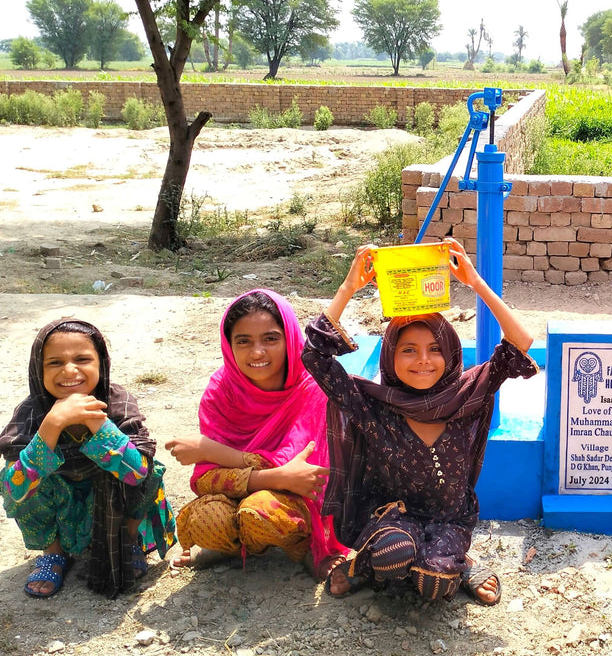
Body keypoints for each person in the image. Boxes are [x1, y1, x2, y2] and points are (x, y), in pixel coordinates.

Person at [302, 238, 537, 605]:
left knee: (434, 582)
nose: (423, 361)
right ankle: (365, 564)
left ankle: (459, 563)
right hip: (393, 517)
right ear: (390, 356)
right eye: (408, 350)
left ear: (451, 353)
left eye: (434, 349)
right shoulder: (371, 405)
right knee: (393, 552)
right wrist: (349, 287)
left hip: (450, 519)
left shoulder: (469, 393)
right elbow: (315, 356)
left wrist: (475, 283)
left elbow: (520, 342)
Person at [165, 290, 344, 577]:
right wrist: (268, 476)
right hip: (253, 487)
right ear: (229, 345)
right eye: (243, 341)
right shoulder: (221, 391)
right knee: (206, 519)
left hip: (297, 495)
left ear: (290, 340)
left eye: (270, 339)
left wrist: (208, 449)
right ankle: (230, 547)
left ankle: (303, 545)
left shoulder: (312, 389)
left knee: (261, 511)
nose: (257, 352)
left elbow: (302, 473)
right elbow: (207, 479)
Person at [0, 319, 176, 599]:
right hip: (59, 500)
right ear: (38, 370)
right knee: (19, 477)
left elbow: (137, 473)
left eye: (82, 359)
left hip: (105, 498)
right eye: (54, 362)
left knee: (149, 469)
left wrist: (98, 424)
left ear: (101, 364)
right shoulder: (31, 412)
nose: (69, 370)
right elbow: (14, 490)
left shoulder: (117, 401)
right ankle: (54, 553)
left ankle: (128, 541)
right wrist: (51, 426)